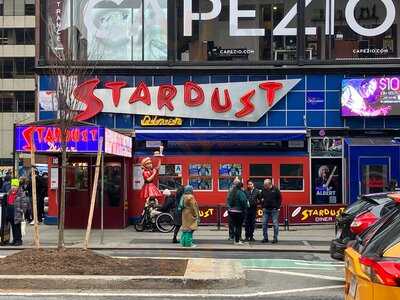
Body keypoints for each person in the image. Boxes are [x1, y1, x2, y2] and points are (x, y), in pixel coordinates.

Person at [4, 179, 27, 246]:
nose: (13, 187)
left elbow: (24, 204)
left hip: (17, 212)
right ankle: (14, 240)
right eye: (12, 185)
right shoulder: (9, 193)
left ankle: (19, 240)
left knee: (17, 227)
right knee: (13, 227)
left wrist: (22, 211)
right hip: (10, 211)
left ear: (18, 186)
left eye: (15, 186)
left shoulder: (21, 193)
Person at [227, 181, 249, 245]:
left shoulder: (232, 192)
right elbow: (243, 201)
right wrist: (246, 207)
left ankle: (234, 239)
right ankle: (237, 241)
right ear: (241, 187)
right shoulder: (240, 192)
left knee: (233, 226)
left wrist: (229, 208)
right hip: (239, 212)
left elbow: (228, 201)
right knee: (238, 226)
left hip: (231, 212)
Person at [260, 179, 282, 244]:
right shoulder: (263, 189)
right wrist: (262, 206)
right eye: (264, 185)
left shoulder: (275, 189)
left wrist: (278, 207)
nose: (264, 186)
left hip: (274, 210)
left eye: (265, 185)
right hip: (266, 209)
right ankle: (265, 238)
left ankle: (275, 238)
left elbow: (280, 198)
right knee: (264, 224)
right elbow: (261, 198)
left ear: (269, 184)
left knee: (275, 224)